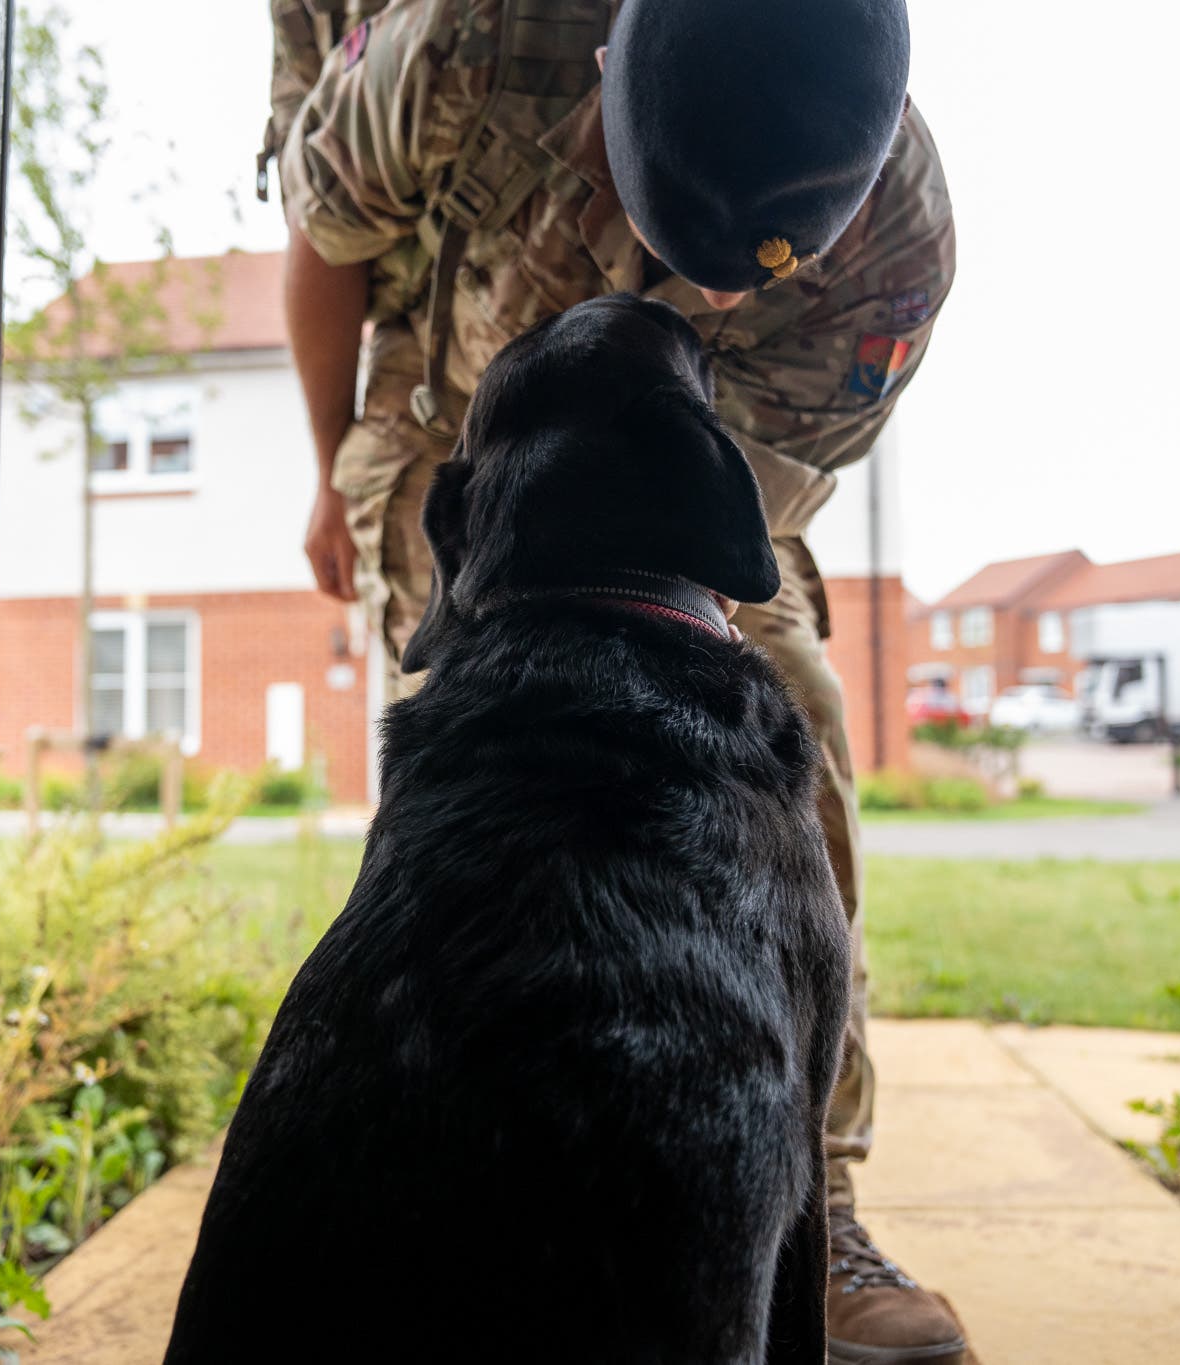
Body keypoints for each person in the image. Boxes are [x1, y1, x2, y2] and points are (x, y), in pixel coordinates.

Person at [267, 0, 962, 1357]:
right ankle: (457, 1185)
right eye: (673, 235)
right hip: (455, 450)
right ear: (603, 68)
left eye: (745, 274)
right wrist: (318, 462)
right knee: (481, 815)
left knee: (783, 739)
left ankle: (809, 1196)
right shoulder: (467, 39)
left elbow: (747, 522)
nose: (706, 293)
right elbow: (324, 235)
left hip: (691, 482)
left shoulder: (895, 255)